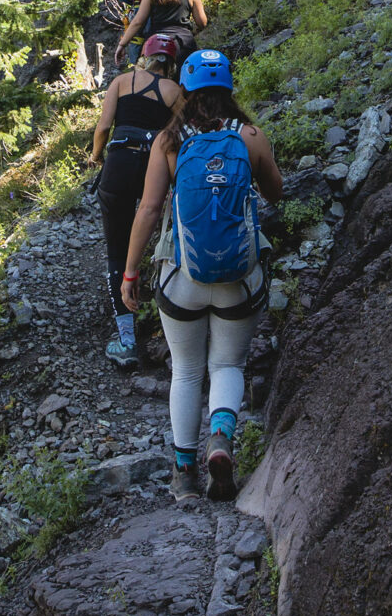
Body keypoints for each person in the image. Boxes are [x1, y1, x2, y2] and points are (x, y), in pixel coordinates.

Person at [120, 49, 282, 502]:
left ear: (186, 90)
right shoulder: (249, 136)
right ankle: (222, 438)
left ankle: (185, 474)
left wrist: (130, 273)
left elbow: (150, 209)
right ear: (229, 88)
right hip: (238, 275)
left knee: (187, 371)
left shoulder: (169, 141)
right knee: (228, 364)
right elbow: (275, 192)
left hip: (181, 275)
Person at [90, 30, 184, 369]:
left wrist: (95, 156)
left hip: (118, 164)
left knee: (116, 248)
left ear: (144, 55)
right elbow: (177, 136)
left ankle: (126, 340)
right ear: (172, 63)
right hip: (154, 168)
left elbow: (103, 128)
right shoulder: (176, 92)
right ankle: (167, 317)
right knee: (150, 231)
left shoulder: (122, 82)